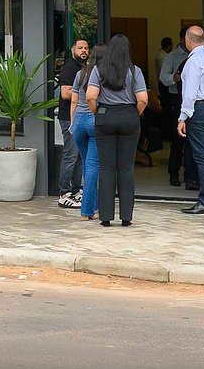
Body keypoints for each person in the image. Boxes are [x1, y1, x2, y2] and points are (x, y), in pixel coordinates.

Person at [86, 33, 148, 227]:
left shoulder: (98, 69)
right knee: (126, 168)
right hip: (129, 115)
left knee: (106, 168)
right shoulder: (135, 71)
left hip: (105, 115)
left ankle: (105, 217)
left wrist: (99, 113)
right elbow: (143, 99)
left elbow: (90, 97)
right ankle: (126, 217)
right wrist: (134, 114)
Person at [175, 25, 204, 214]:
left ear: (188, 40)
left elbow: (189, 92)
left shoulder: (193, 61)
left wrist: (182, 117)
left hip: (199, 109)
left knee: (202, 156)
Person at [54, 39, 90, 208]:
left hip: (79, 116)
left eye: (86, 48)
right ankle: (64, 193)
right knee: (71, 154)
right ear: (73, 50)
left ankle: (76, 190)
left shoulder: (84, 67)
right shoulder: (70, 68)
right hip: (68, 116)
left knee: (79, 155)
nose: (83, 51)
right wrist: (85, 92)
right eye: (80, 48)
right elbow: (65, 93)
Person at [71, 45, 101, 220]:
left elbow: (74, 101)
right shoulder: (101, 75)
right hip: (93, 118)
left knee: (86, 164)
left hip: (79, 120)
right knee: (93, 165)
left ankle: (93, 206)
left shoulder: (79, 74)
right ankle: (87, 210)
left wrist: (73, 123)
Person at [157, 30, 190, 184]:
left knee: (192, 140)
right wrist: (174, 78)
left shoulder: (197, 56)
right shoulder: (172, 56)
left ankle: (191, 175)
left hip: (194, 100)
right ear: (182, 39)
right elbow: (163, 77)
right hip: (177, 98)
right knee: (178, 139)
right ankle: (174, 173)